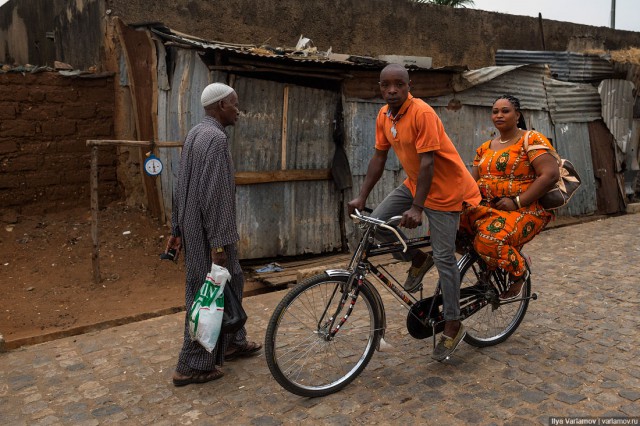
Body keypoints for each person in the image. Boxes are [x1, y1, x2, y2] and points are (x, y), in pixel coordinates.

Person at [348, 64, 481, 361]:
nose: (392, 90)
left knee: (446, 258)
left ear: (409, 85)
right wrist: (361, 196)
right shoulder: (384, 115)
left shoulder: (422, 113)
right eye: (386, 85)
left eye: (398, 84)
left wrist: (417, 208)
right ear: (380, 88)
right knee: (376, 224)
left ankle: (452, 324)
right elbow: (379, 157)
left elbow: (428, 164)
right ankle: (419, 259)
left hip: (445, 190)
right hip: (414, 184)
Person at [165, 82, 262, 387]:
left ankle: (231, 341)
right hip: (210, 233)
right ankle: (192, 364)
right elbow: (215, 197)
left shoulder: (196, 133)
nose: (238, 110)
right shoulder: (216, 139)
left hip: (194, 228)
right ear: (221, 106)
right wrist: (218, 243)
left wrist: (177, 227)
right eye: (234, 104)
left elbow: (180, 186)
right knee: (207, 294)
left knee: (231, 281)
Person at [460, 94, 559, 300]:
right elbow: (471, 183)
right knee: (448, 226)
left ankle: (520, 271)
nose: (499, 115)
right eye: (495, 111)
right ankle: (489, 267)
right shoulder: (485, 148)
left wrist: (517, 201)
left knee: (488, 239)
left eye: (505, 111)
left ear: (517, 115)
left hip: (526, 209)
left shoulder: (530, 139)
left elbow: (550, 175)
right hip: (488, 208)